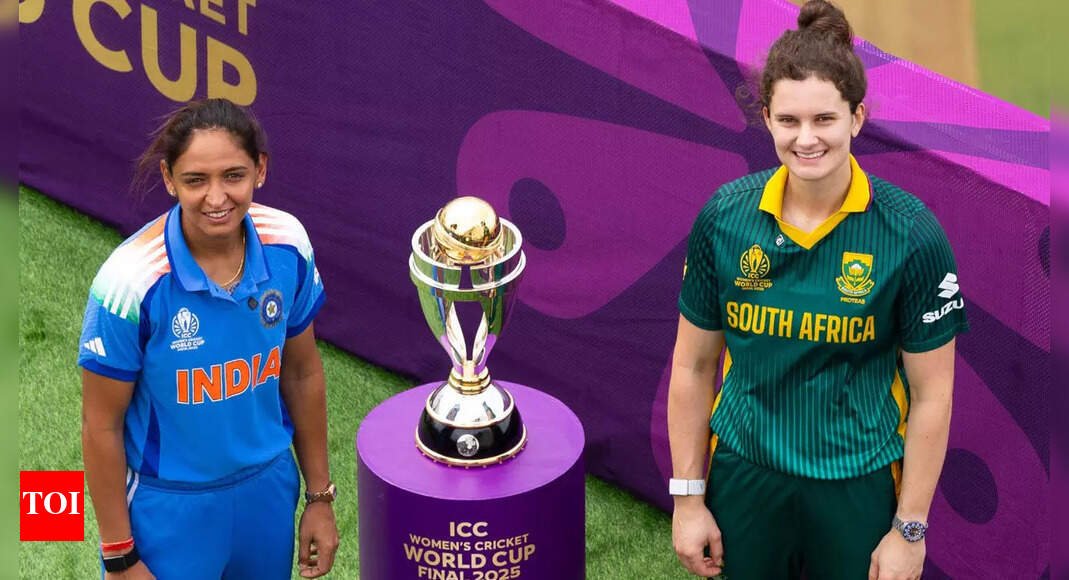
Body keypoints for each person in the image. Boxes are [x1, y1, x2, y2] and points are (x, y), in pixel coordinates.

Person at [667, 2, 967, 579]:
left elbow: (934, 393)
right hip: (745, 475)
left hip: (857, 483)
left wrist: (910, 530)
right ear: (766, 118)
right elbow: (693, 366)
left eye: (825, 119)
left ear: (857, 117)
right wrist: (687, 499)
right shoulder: (725, 218)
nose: (806, 139)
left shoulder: (911, 233)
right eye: (789, 120)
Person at [79, 98, 339, 579]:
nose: (216, 198)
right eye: (196, 180)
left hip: (268, 493)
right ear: (169, 178)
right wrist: (119, 555)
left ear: (260, 169)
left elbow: (302, 373)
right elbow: (100, 425)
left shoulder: (288, 244)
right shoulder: (130, 282)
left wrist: (319, 498)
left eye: (233, 176)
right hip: (168, 509)